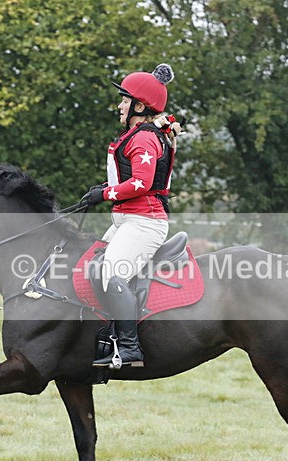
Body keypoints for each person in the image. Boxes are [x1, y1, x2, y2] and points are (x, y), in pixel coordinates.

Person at [82, 63, 182, 368]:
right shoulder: (138, 134)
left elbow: (142, 183)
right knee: (91, 266)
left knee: (112, 275)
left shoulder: (143, 138)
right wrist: (105, 188)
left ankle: (129, 348)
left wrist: (105, 194)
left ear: (140, 105)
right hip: (128, 219)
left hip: (145, 221)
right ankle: (107, 337)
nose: (120, 105)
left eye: (125, 100)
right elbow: (128, 179)